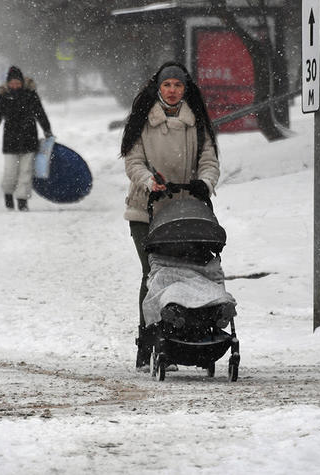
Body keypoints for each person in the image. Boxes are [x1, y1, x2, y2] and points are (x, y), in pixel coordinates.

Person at [121, 61, 220, 371]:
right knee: (154, 274)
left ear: (185, 88)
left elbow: (209, 160)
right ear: (159, 88)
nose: (173, 90)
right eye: (167, 85)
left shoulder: (197, 123)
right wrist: (151, 182)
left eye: (178, 85)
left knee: (185, 272)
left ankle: (181, 336)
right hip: (146, 210)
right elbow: (133, 161)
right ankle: (148, 341)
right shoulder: (143, 121)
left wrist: (205, 182)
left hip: (186, 209)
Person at [0, 65, 53, 212]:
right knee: (10, 172)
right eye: (12, 83)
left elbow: (40, 114)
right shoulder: (4, 98)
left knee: (26, 172)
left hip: (29, 139)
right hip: (10, 141)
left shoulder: (31, 96)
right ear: (8, 83)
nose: (15, 86)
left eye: (17, 83)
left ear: (22, 82)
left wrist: (47, 130)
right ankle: (8, 194)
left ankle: (22, 200)